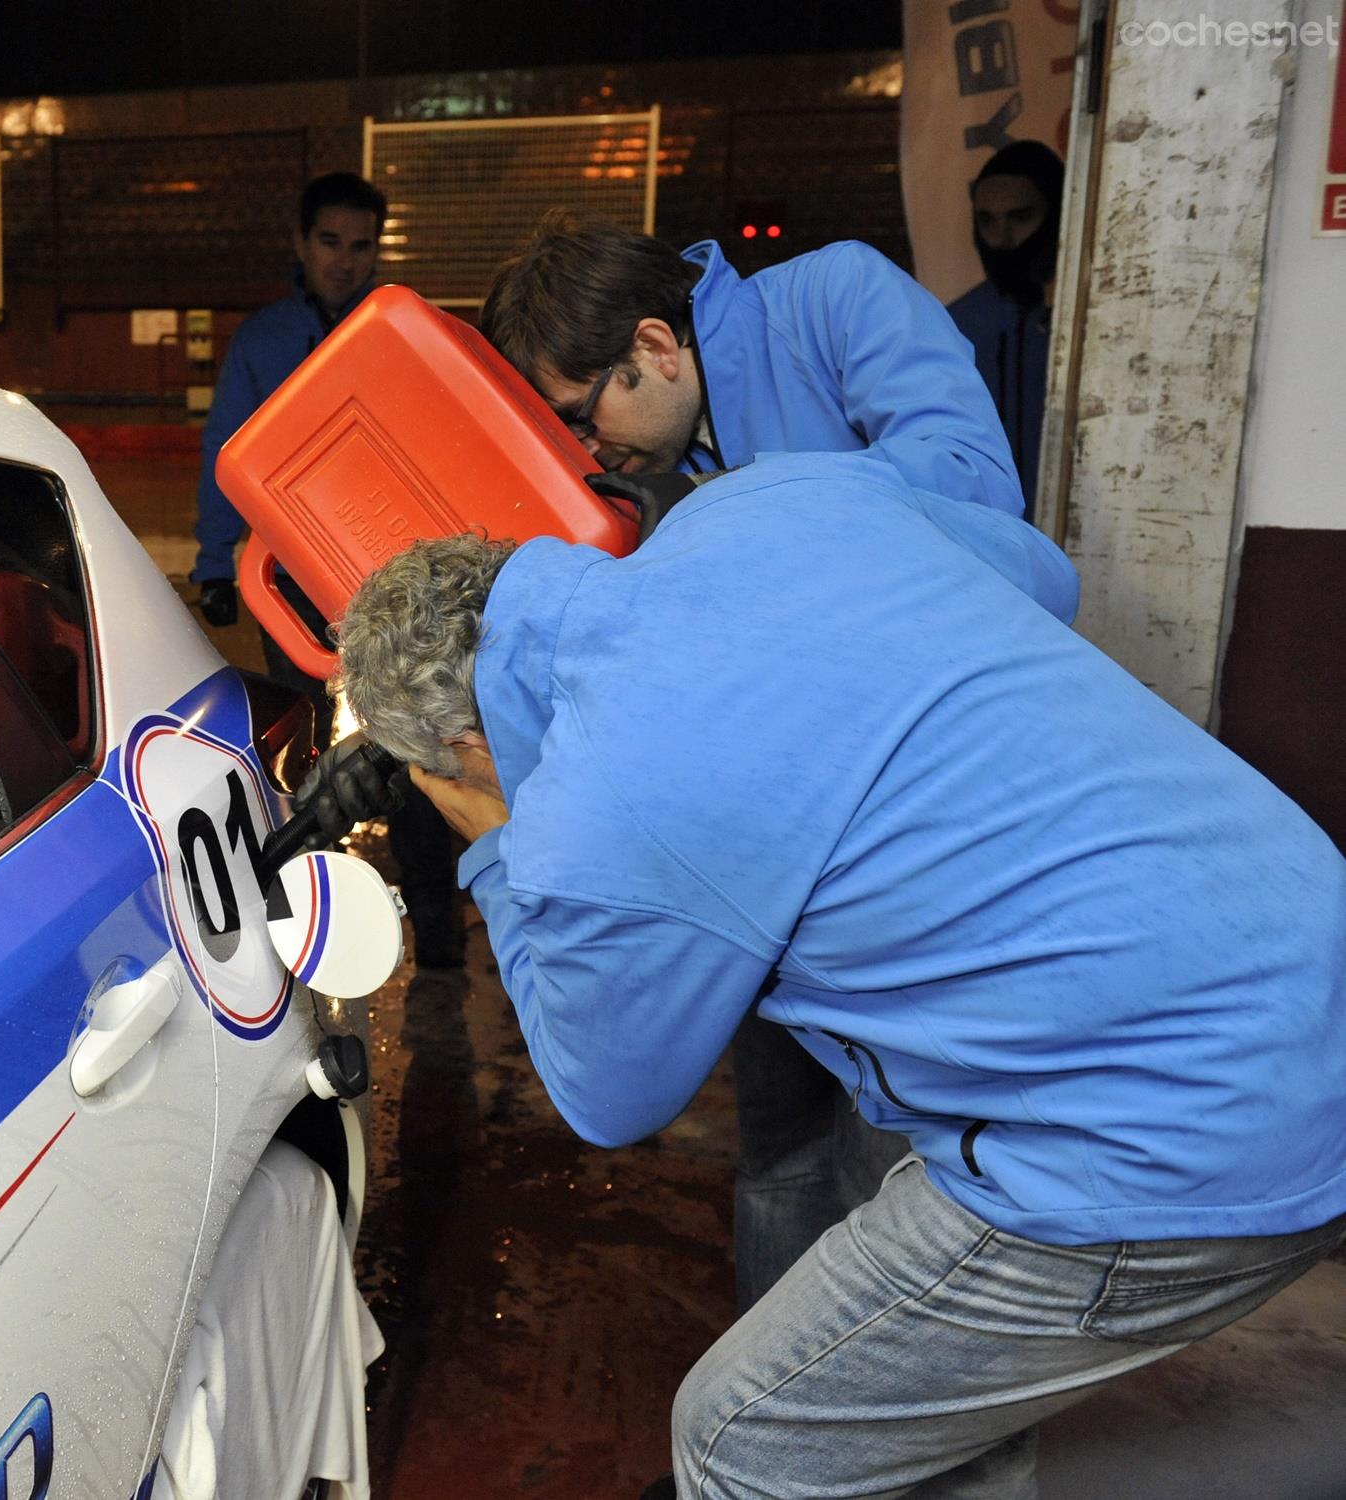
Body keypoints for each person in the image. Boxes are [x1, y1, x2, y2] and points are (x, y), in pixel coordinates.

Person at [331, 453, 1346, 1498]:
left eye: (447, 775)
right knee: (910, 1403)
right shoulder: (774, 499)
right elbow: (1041, 575)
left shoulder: (590, 821)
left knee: (745, 1437)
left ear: (466, 747)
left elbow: (606, 1095)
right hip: (1308, 965)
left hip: (1180, 1130)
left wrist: (494, 839)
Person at [481, 210, 1030, 1310]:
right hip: (767, 844)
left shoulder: (836, 300)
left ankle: (876, 1453)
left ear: (654, 346)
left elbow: (976, 501)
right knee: (778, 1152)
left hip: (909, 840)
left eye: (585, 421)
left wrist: (715, 533)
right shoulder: (643, 468)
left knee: (904, 1172)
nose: (590, 456)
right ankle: (779, 1455)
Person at [191, 171, 466, 967]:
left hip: (397, 574)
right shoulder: (262, 342)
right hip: (298, 580)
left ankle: (439, 938)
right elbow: (226, 452)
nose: (345, 261)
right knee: (304, 749)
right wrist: (216, 561)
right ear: (300, 244)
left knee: (410, 743)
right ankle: (305, 914)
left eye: (361, 246)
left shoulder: (398, 336)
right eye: (329, 243)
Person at [949, 141, 1068, 505]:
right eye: (987, 221)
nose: (1002, 240)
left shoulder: (1092, 319)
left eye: (1020, 218)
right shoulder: (956, 325)